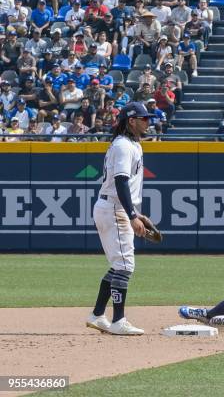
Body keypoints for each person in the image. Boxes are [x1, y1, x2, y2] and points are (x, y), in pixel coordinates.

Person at [87, 102, 156, 336]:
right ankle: (118, 320)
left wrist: (137, 212)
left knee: (119, 265)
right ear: (131, 121)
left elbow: (126, 184)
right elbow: (121, 181)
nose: (148, 121)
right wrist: (132, 215)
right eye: (144, 118)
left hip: (113, 207)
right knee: (125, 266)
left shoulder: (130, 144)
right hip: (114, 208)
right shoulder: (124, 146)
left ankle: (97, 315)